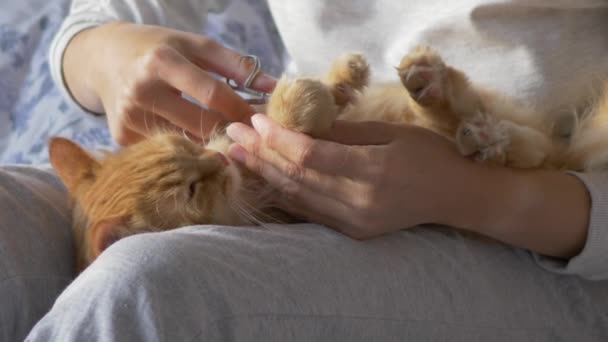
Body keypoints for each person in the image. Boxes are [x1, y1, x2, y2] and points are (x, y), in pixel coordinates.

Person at [0, 0, 604, 340]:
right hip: (307, 164)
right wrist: (110, 55)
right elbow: (97, 21)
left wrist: (474, 197)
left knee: (143, 289)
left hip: (545, 243)